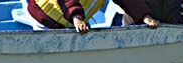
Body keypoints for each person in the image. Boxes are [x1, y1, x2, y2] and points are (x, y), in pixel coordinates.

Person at [27, 0, 160, 34]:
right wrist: (77, 18)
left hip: (72, 22)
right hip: (45, 17)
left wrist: (144, 17)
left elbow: (130, 2)